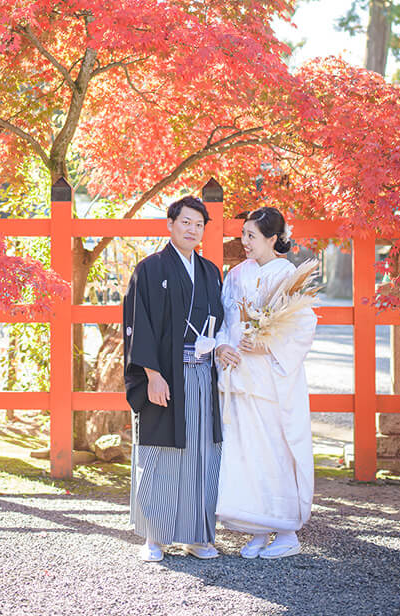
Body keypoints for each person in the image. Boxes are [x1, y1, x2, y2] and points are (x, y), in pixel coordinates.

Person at [123, 195, 224, 562]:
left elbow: (220, 322)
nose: (192, 229)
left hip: (201, 374)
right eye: (186, 222)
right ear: (170, 224)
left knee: (202, 452)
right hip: (165, 374)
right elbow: (140, 326)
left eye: (199, 224)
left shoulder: (211, 271)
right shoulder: (149, 269)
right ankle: (155, 537)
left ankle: (198, 536)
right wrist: (151, 375)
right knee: (161, 451)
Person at [215, 207, 317, 559]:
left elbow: (302, 328)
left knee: (276, 451)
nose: (244, 242)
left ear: (273, 239)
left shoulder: (288, 275)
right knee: (247, 453)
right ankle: (257, 527)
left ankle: (286, 530)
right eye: (243, 235)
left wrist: (265, 344)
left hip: (273, 379)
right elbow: (225, 320)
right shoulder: (236, 274)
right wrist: (222, 346)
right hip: (240, 375)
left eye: (252, 236)